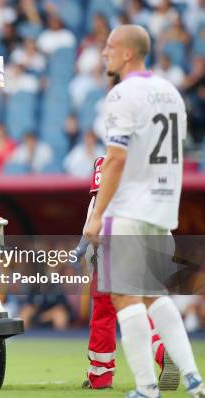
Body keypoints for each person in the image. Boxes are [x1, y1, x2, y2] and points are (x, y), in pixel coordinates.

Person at [83, 25, 204, 398]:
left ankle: (146, 388)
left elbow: (116, 159)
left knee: (122, 295)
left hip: (131, 204)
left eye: (109, 47)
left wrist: (96, 214)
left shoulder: (122, 94)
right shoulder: (171, 91)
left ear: (127, 54)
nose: (103, 53)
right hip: (163, 205)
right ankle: (194, 379)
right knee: (153, 293)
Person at [78, 157, 179, 391]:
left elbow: (95, 216)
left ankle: (100, 375)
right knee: (147, 304)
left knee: (105, 313)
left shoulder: (108, 162)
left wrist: (83, 249)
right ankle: (164, 350)